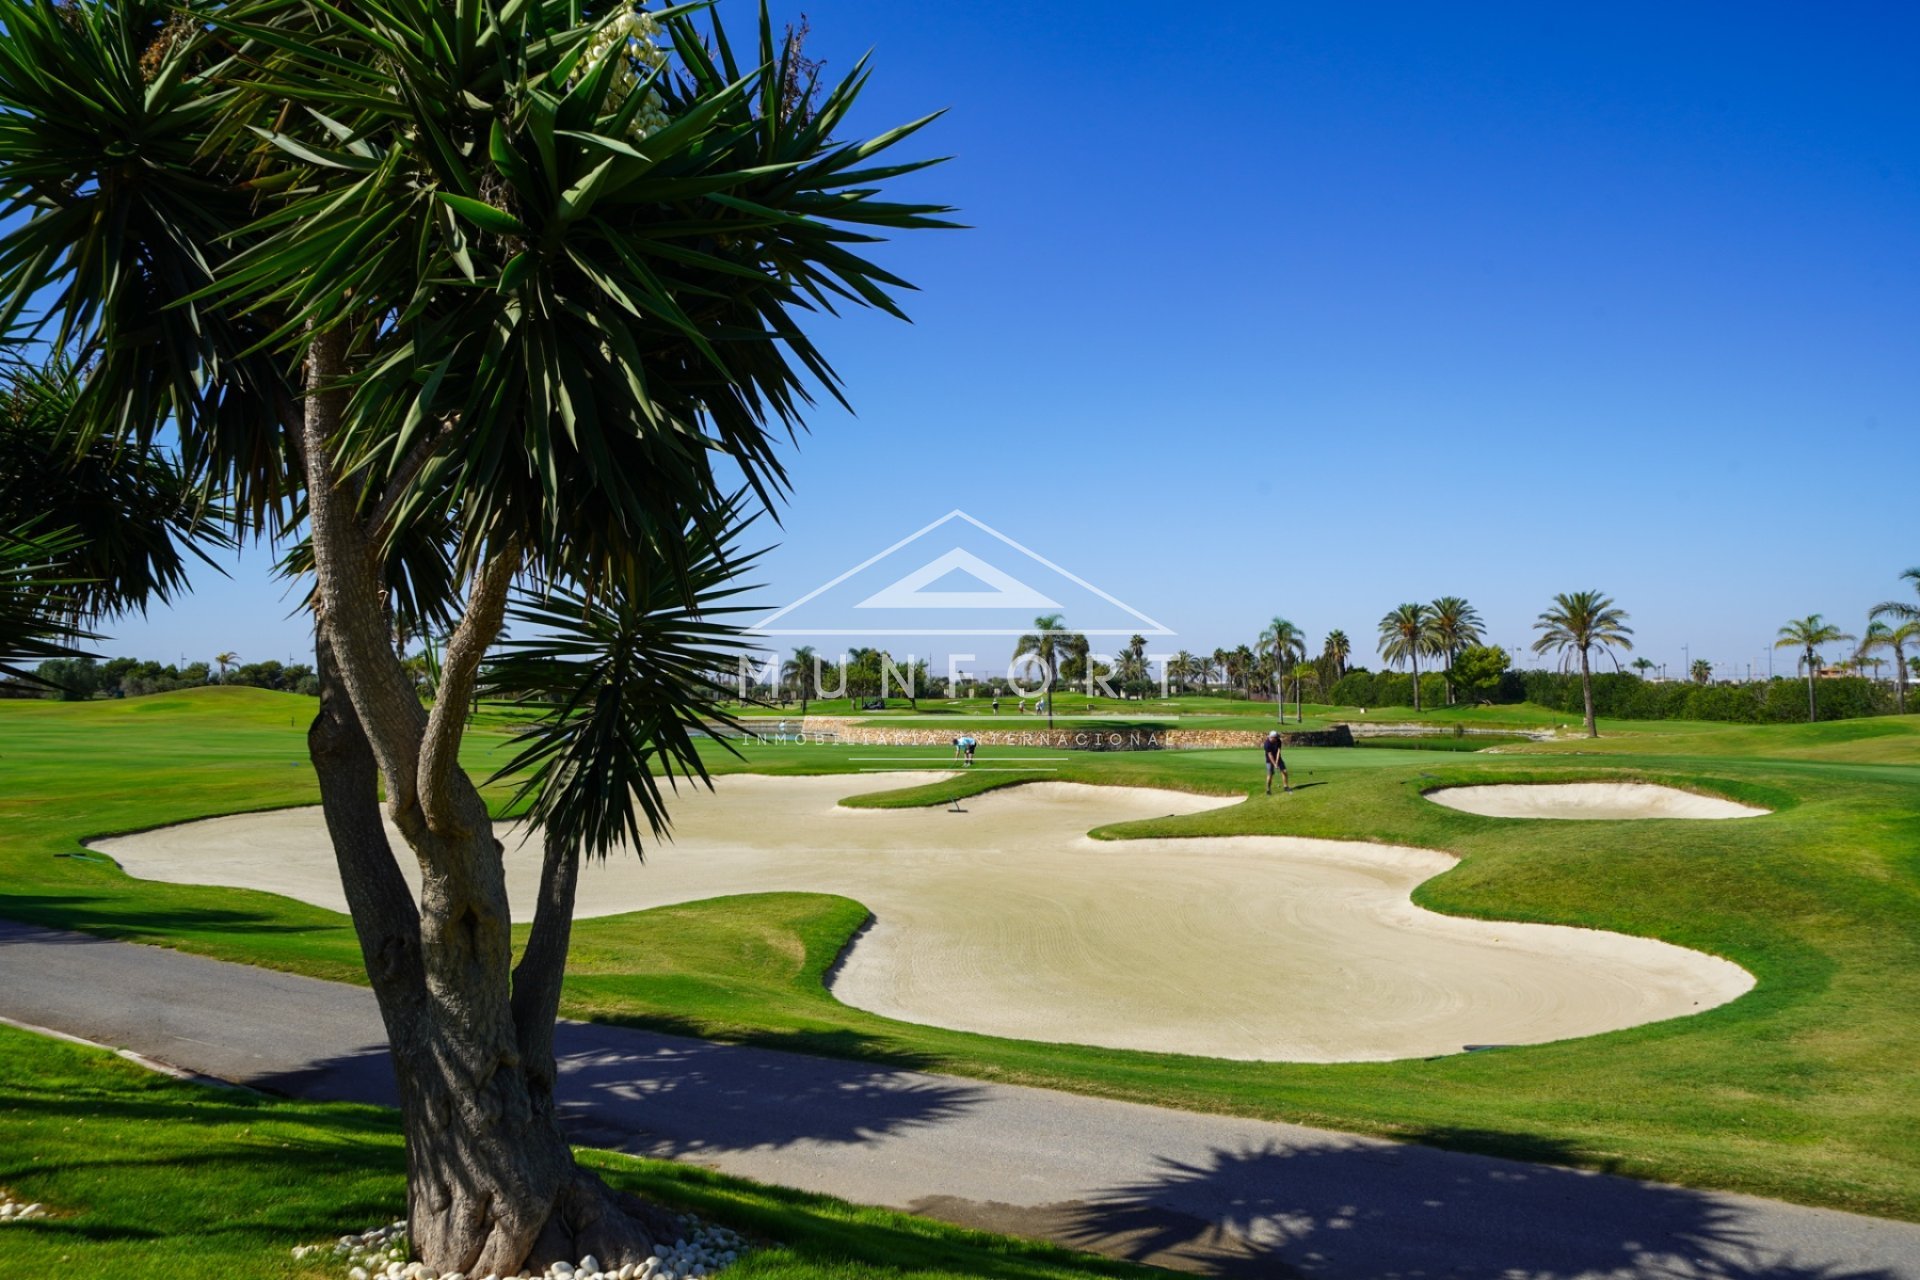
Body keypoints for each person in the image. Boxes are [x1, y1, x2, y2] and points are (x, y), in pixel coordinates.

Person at [1263, 730, 1290, 795]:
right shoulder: (1267, 744)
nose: (1277, 738)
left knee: (1284, 771)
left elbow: (1278, 752)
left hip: (1278, 758)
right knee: (1270, 774)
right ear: (1272, 737)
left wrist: (1277, 761)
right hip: (1269, 760)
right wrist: (1274, 764)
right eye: (1276, 737)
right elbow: (1270, 755)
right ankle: (1268, 789)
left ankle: (1285, 786)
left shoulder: (1278, 741)